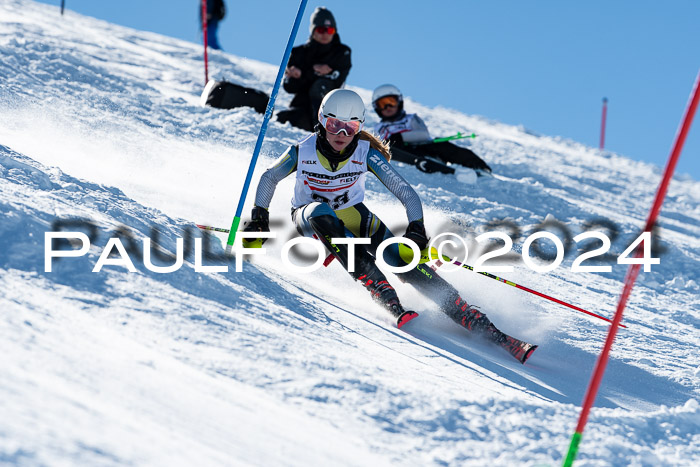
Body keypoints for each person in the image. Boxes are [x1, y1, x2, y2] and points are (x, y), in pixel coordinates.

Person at [243, 89, 537, 364]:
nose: (342, 134)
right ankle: (382, 290)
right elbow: (269, 178)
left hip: (353, 216)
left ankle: (471, 317)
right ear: (321, 120)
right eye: (334, 125)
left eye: (351, 127)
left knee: (400, 256)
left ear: (360, 127)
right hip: (309, 219)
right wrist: (259, 215)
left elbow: (406, 192)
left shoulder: (365, 153)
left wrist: (416, 230)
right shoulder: (302, 150)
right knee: (322, 211)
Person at [372, 84, 492, 175]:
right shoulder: (379, 127)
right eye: (382, 104)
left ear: (399, 102)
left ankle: (479, 166)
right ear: (377, 108)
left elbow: (424, 134)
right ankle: (417, 159)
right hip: (397, 151)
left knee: (442, 145)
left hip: (421, 146)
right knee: (393, 147)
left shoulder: (411, 118)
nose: (388, 107)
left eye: (391, 102)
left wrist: (402, 137)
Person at [276, 7, 352, 132]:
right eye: (321, 29)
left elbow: (337, 81)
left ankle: (323, 132)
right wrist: (311, 73)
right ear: (313, 30)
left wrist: (303, 74)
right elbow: (289, 87)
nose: (326, 34)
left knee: (320, 86)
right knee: (282, 120)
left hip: (329, 111)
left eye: (330, 30)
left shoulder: (342, 52)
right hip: (302, 106)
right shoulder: (299, 53)